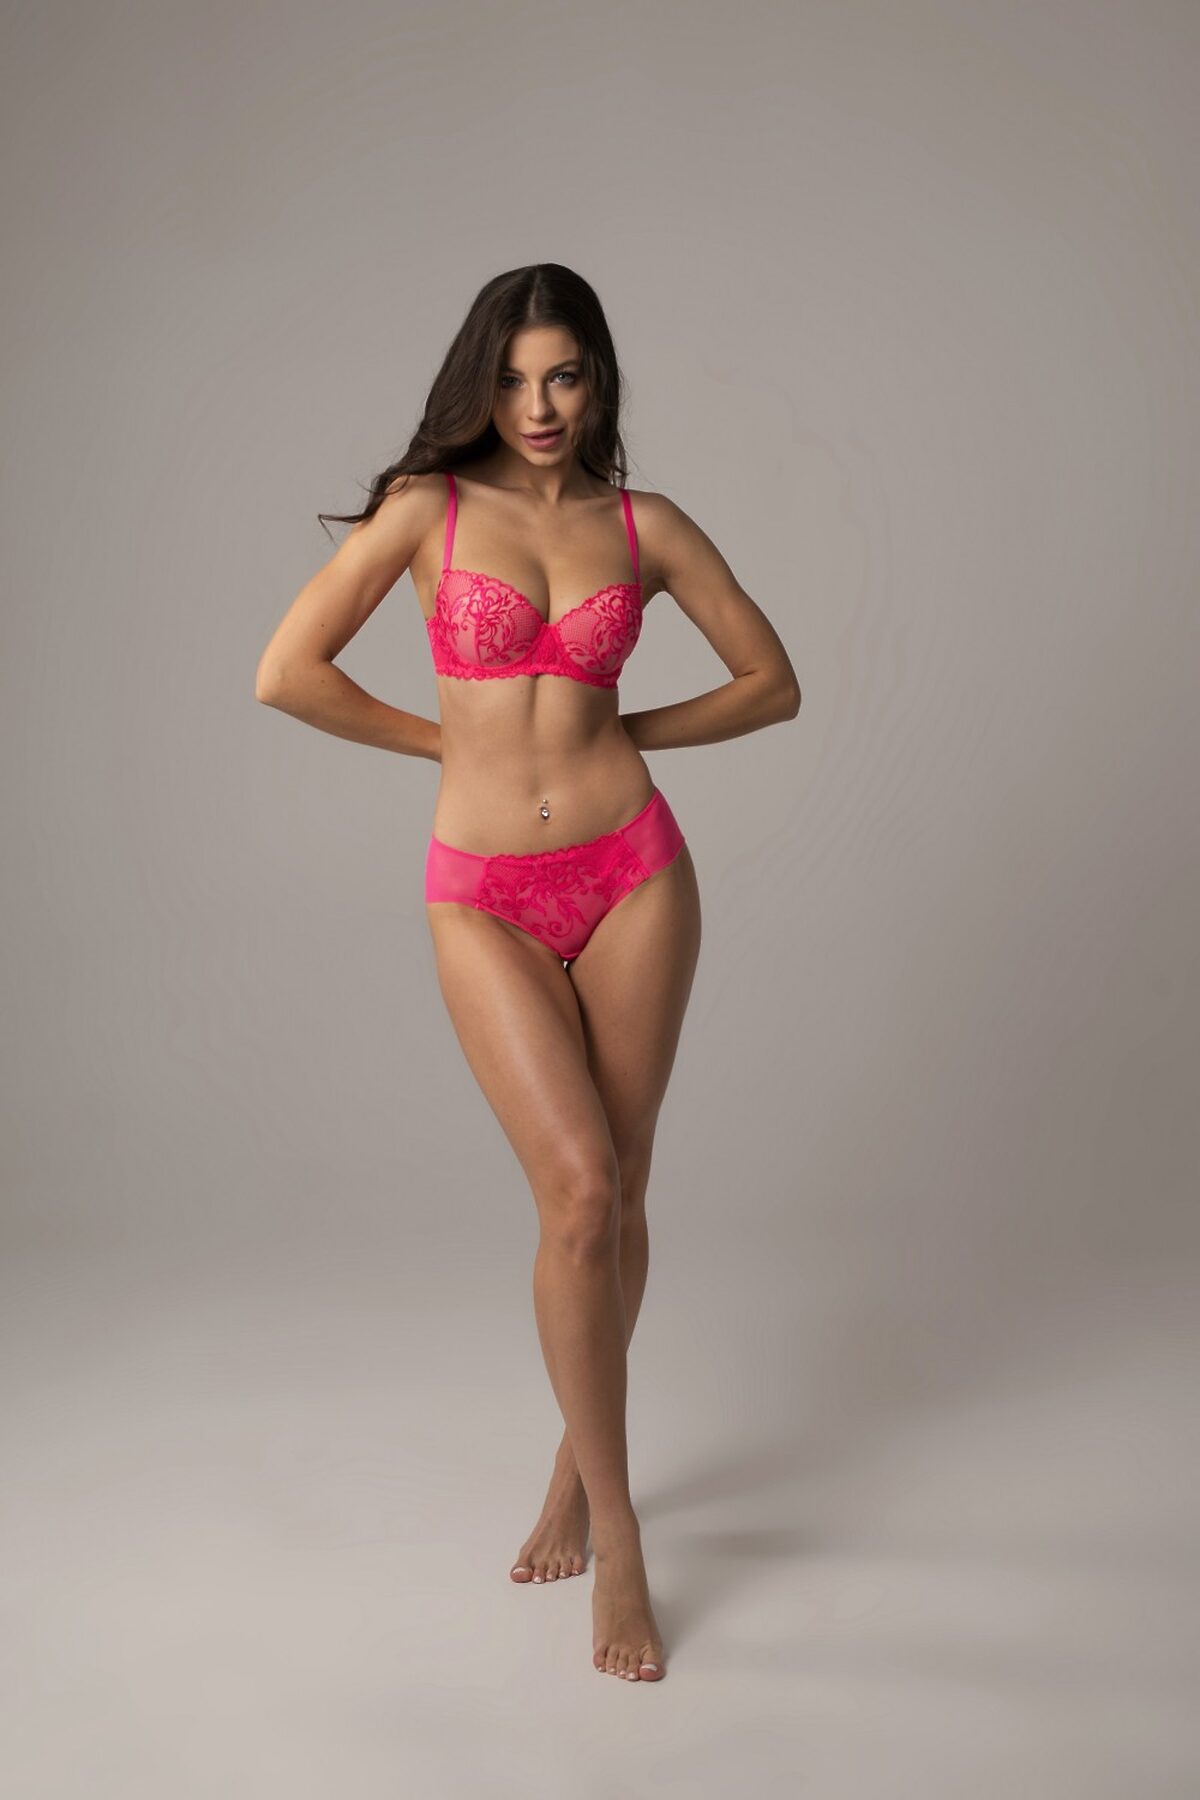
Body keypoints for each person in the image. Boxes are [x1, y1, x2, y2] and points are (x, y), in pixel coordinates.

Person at [255, 263, 802, 1684]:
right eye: (510, 380)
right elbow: (287, 672)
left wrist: (624, 738)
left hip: (635, 873)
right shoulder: (429, 511)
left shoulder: (646, 524)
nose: (537, 405)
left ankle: (577, 1473)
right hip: (484, 891)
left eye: (561, 375)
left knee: (623, 1183)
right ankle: (624, 1534)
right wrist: (447, 742)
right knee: (577, 1193)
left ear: (597, 376)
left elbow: (774, 682)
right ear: (478, 386)